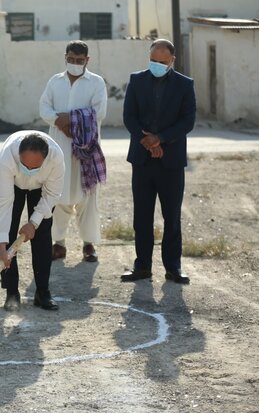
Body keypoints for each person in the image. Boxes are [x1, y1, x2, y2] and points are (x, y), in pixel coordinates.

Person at [121, 39, 196, 285]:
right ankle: (142, 266)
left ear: (172, 60)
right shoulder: (137, 80)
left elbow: (187, 121)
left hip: (170, 161)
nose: (156, 65)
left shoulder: (185, 85)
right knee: (141, 216)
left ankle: (173, 268)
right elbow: (129, 116)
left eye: (162, 62)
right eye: (153, 61)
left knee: (171, 216)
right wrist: (146, 141)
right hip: (142, 159)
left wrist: (160, 140)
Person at [40, 40, 108, 263]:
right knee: (57, 195)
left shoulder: (96, 83)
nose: (75, 63)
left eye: (80, 60)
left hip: (86, 149)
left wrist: (71, 119)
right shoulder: (55, 81)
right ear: (65, 57)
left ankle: (88, 245)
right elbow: (44, 108)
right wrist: (61, 122)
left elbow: (98, 112)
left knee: (87, 196)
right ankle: (58, 244)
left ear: (87, 60)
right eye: (71, 59)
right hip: (58, 146)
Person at [0, 131, 65, 311]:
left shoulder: (56, 158)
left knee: (42, 234)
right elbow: (4, 203)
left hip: (42, 190)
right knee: (9, 234)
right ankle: (11, 292)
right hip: (13, 186)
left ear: (45, 158)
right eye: (25, 165)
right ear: (19, 155)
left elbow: (52, 195)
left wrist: (33, 223)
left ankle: (42, 291)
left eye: (35, 167)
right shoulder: (7, 157)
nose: (30, 170)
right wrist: (1, 244)